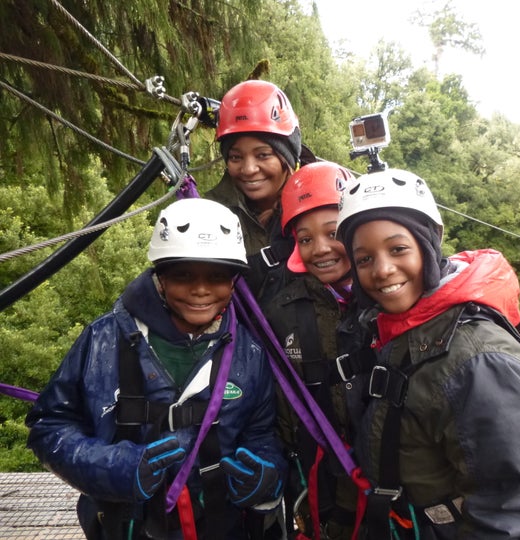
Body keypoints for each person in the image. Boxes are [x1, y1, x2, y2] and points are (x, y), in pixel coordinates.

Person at [26, 198, 286, 539]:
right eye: (183, 275)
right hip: (129, 525)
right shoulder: (105, 340)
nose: (201, 290)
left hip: (220, 525)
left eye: (218, 276)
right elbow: (49, 428)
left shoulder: (247, 352)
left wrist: (266, 474)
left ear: (235, 281)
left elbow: (261, 433)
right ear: (159, 276)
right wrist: (115, 468)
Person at [336, 169, 520, 539]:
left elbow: (511, 512)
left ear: (429, 242)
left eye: (398, 249)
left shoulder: (479, 359)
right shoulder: (398, 327)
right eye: (364, 259)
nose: (383, 270)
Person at [263, 162, 373, 540]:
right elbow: (276, 400)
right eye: (305, 239)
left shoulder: (387, 298)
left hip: (386, 480)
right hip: (317, 481)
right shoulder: (282, 311)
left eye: (332, 233)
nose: (320, 249)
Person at [205, 79, 308, 304]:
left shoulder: (317, 208)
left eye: (263, 155)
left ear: (286, 158)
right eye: (235, 157)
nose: (249, 169)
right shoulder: (210, 214)